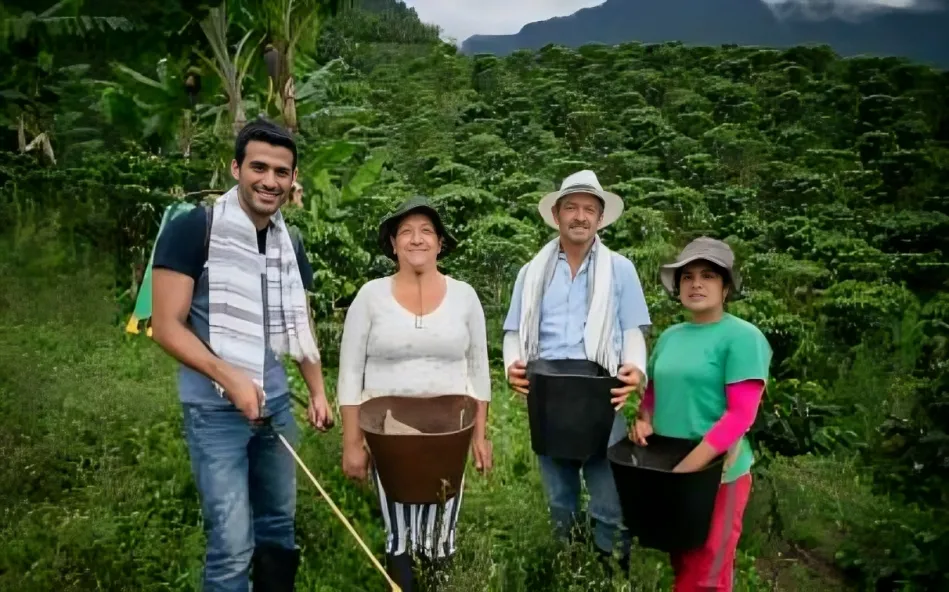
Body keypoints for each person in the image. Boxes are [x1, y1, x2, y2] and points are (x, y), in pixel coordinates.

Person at [151, 118, 334, 592]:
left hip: (273, 405)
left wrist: (316, 391)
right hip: (215, 410)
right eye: (259, 167)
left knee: (278, 528)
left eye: (281, 171)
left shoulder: (288, 244)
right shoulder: (195, 229)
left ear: (293, 180)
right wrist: (227, 376)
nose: (269, 181)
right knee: (232, 545)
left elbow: (299, 321)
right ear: (236, 167)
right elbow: (165, 324)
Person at [336, 196, 493, 591]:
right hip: (388, 434)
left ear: (440, 243)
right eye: (405, 232)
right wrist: (352, 441)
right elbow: (350, 371)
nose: (416, 239)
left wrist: (480, 435)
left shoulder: (465, 296)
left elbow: (478, 369)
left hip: (449, 434)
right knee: (399, 531)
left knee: (441, 532)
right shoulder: (370, 297)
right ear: (392, 244)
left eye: (426, 231)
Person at [502, 170, 652, 571]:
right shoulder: (530, 272)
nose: (580, 216)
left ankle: (610, 569)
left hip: (602, 391)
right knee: (559, 496)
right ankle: (567, 564)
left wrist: (634, 369)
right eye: (572, 207)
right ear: (556, 214)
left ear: (600, 219)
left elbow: (631, 329)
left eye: (589, 209)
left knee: (609, 493)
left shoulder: (620, 269)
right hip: (547, 392)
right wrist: (511, 367)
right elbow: (514, 331)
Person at [630, 237, 772, 591]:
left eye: (708, 275)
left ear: (726, 287)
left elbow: (740, 416)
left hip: (716, 474)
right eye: (687, 276)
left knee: (705, 573)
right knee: (683, 561)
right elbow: (652, 393)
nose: (696, 283)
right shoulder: (671, 337)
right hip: (669, 467)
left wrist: (691, 467)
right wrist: (644, 420)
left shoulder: (742, 338)